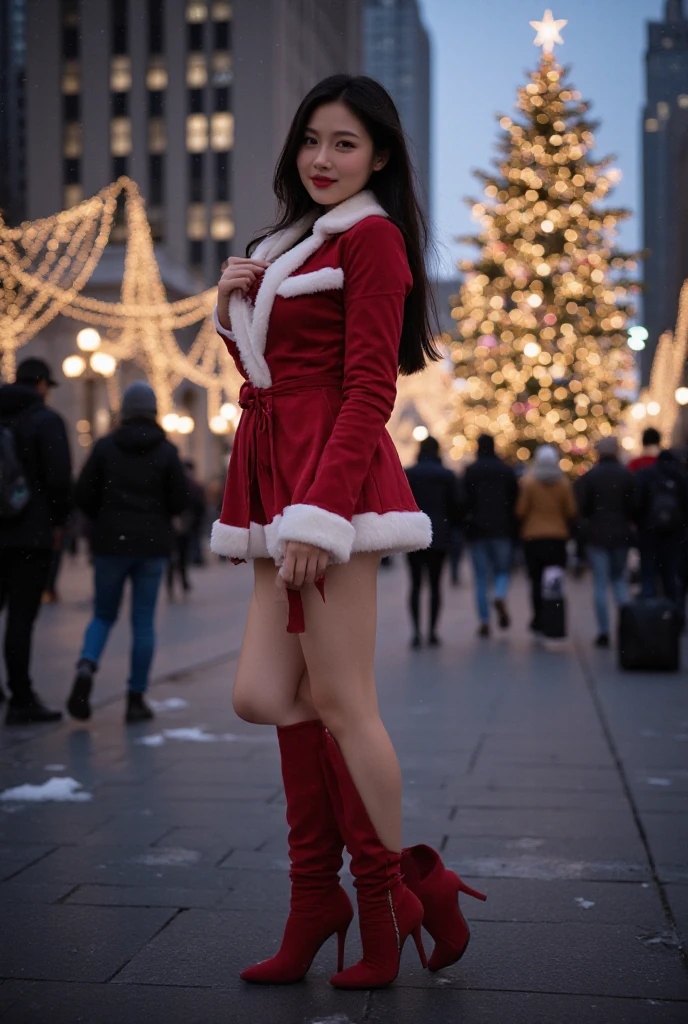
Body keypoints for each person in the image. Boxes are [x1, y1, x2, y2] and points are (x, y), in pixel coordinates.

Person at [210, 75, 485, 989]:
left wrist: (319, 519)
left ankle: (383, 900)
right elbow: (271, 371)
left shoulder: (374, 242)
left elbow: (371, 388)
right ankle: (335, 895)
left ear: (380, 158)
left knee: (343, 701)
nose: (323, 160)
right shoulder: (284, 245)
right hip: (271, 480)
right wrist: (228, 309)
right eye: (312, 142)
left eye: (345, 145)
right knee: (261, 693)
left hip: (333, 489)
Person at [67, 382, 188, 724]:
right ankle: (135, 699)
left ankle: (87, 664)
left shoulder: (105, 447)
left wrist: (105, 517)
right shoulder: (166, 451)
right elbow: (180, 499)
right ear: (152, 411)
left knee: (103, 614)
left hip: (110, 544)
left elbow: (83, 494)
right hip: (152, 546)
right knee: (143, 621)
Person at [0, 357, 71, 725]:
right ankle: (21, 697)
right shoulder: (45, 420)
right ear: (42, 384)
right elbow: (59, 480)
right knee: (20, 619)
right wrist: (58, 522)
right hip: (30, 534)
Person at [575, 437, 635, 647]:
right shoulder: (627, 476)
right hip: (620, 534)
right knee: (619, 581)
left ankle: (603, 631)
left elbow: (581, 509)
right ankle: (628, 629)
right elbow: (634, 507)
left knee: (600, 583)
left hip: (597, 535)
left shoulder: (591, 477)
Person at [404, 435, 462, 647]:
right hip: (439, 533)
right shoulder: (446, 475)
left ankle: (416, 633)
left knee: (416, 584)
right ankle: (432, 632)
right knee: (436, 585)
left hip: (414, 534)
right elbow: (456, 506)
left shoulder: (409, 473)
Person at [516, 445, 577, 634]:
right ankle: (554, 618)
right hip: (557, 537)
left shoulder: (529, 483)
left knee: (535, 580)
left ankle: (538, 618)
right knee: (554, 582)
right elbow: (572, 510)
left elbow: (520, 510)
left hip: (533, 537)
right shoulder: (563, 483)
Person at [462, 433, 518, 637]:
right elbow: (515, 498)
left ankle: (484, 620)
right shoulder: (506, 471)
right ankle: (500, 594)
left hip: (478, 530)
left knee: (480, 577)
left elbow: (463, 500)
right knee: (502, 570)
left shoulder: (471, 471)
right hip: (502, 528)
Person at [634, 448, 688, 618]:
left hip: (649, 535)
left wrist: (640, 526)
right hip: (674, 537)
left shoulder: (646, 475)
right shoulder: (679, 477)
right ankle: (674, 618)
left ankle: (650, 620)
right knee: (671, 577)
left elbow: (637, 505)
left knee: (649, 575)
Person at [166, 460, 206, 598]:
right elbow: (199, 505)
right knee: (179, 556)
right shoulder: (192, 486)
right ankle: (179, 583)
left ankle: (175, 584)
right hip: (184, 525)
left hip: (180, 525)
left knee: (176, 557)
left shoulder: (177, 485)